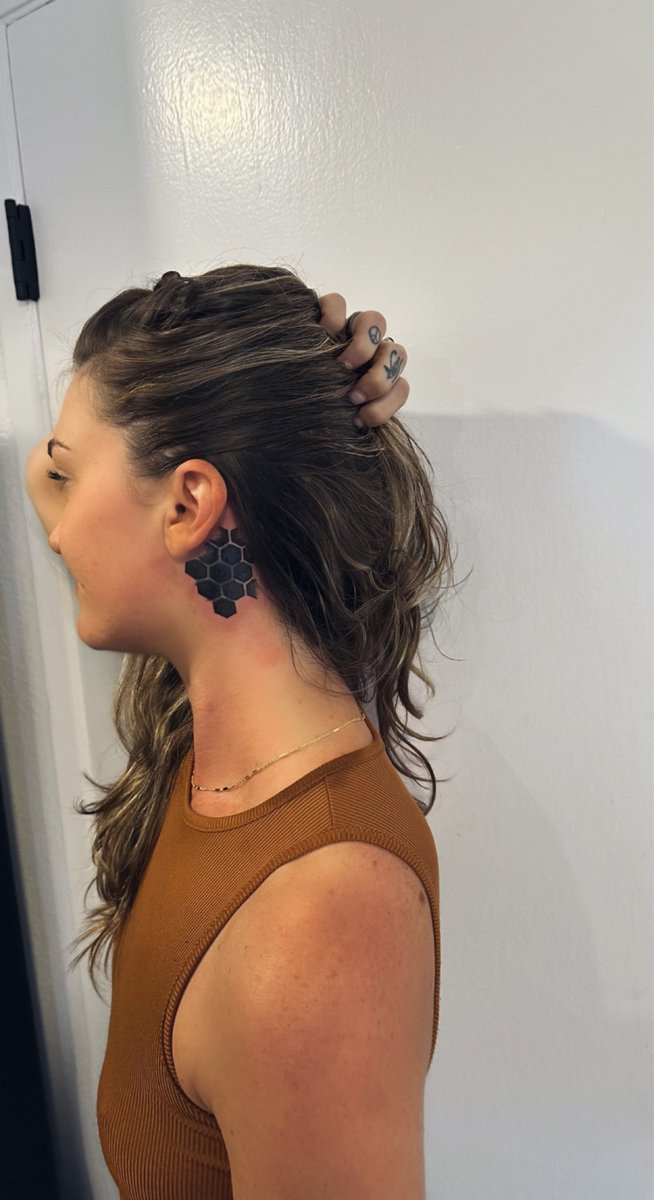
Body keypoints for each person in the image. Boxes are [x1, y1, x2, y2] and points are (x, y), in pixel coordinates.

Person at [24, 265, 456, 1200]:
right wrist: (310, 400)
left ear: (187, 505)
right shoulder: (219, 755)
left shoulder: (319, 913)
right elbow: (49, 488)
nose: (54, 530)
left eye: (71, 468)